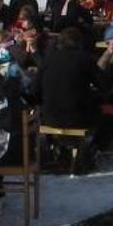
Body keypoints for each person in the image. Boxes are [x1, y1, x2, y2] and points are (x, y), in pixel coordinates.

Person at [38, 26, 101, 171]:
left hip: (50, 117)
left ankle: (63, 152)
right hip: (77, 118)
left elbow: (35, 90)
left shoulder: (48, 60)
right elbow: (102, 83)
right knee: (103, 112)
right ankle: (89, 152)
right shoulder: (85, 59)